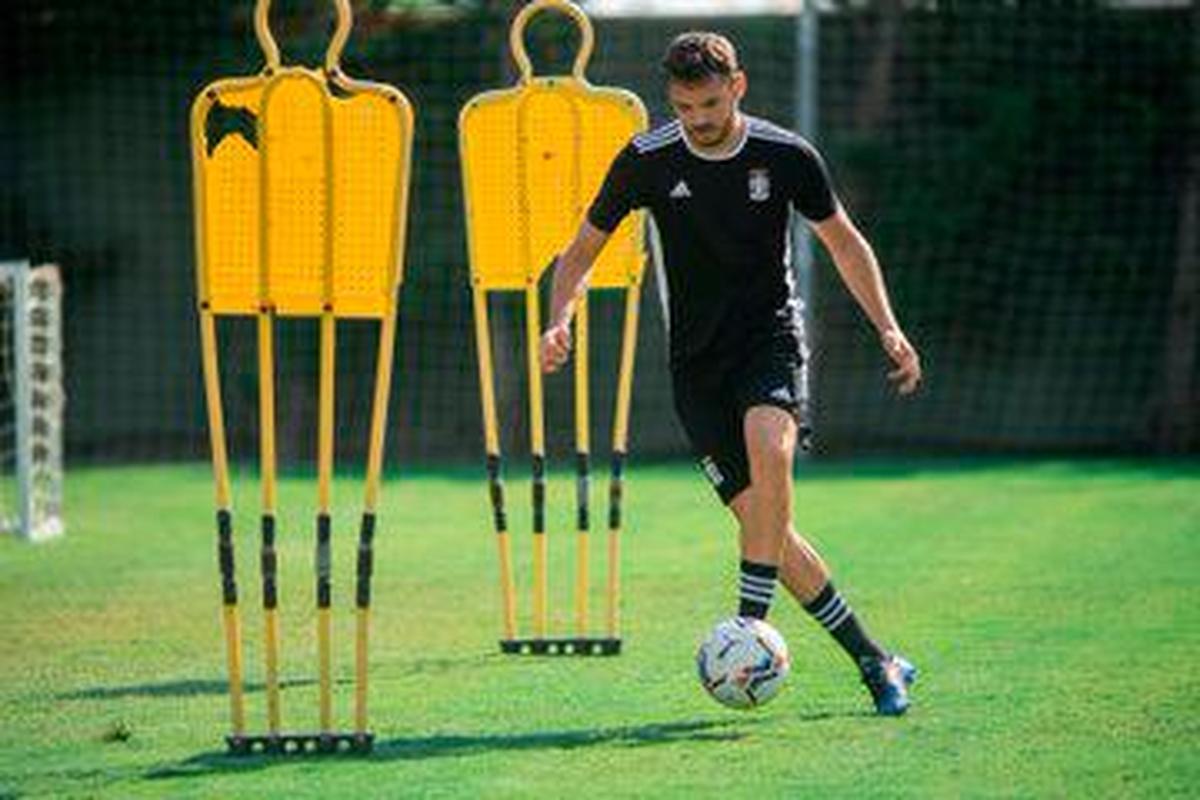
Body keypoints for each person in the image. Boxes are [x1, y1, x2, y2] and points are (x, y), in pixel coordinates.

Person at [539, 31, 923, 715]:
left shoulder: (786, 155)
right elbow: (579, 253)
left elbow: (845, 243)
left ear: (738, 86)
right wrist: (559, 318)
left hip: (769, 338)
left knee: (771, 448)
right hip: (695, 369)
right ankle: (874, 659)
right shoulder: (646, 161)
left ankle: (749, 625)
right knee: (767, 528)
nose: (700, 119)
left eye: (711, 103)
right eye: (686, 107)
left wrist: (888, 326)